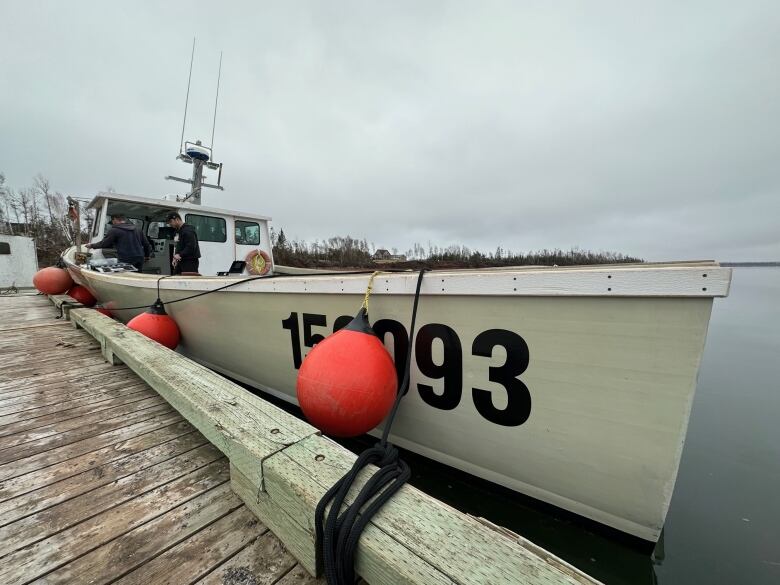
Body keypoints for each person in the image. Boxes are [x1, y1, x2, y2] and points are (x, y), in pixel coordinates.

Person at [86, 214, 151, 271]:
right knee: (138, 276)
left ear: (115, 220)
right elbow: (146, 244)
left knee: (126, 276)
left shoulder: (114, 230)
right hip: (140, 257)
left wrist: (91, 245)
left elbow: (104, 243)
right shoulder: (138, 229)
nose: (112, 223)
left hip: (126, 259)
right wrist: (147, 256)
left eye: (112, 221)